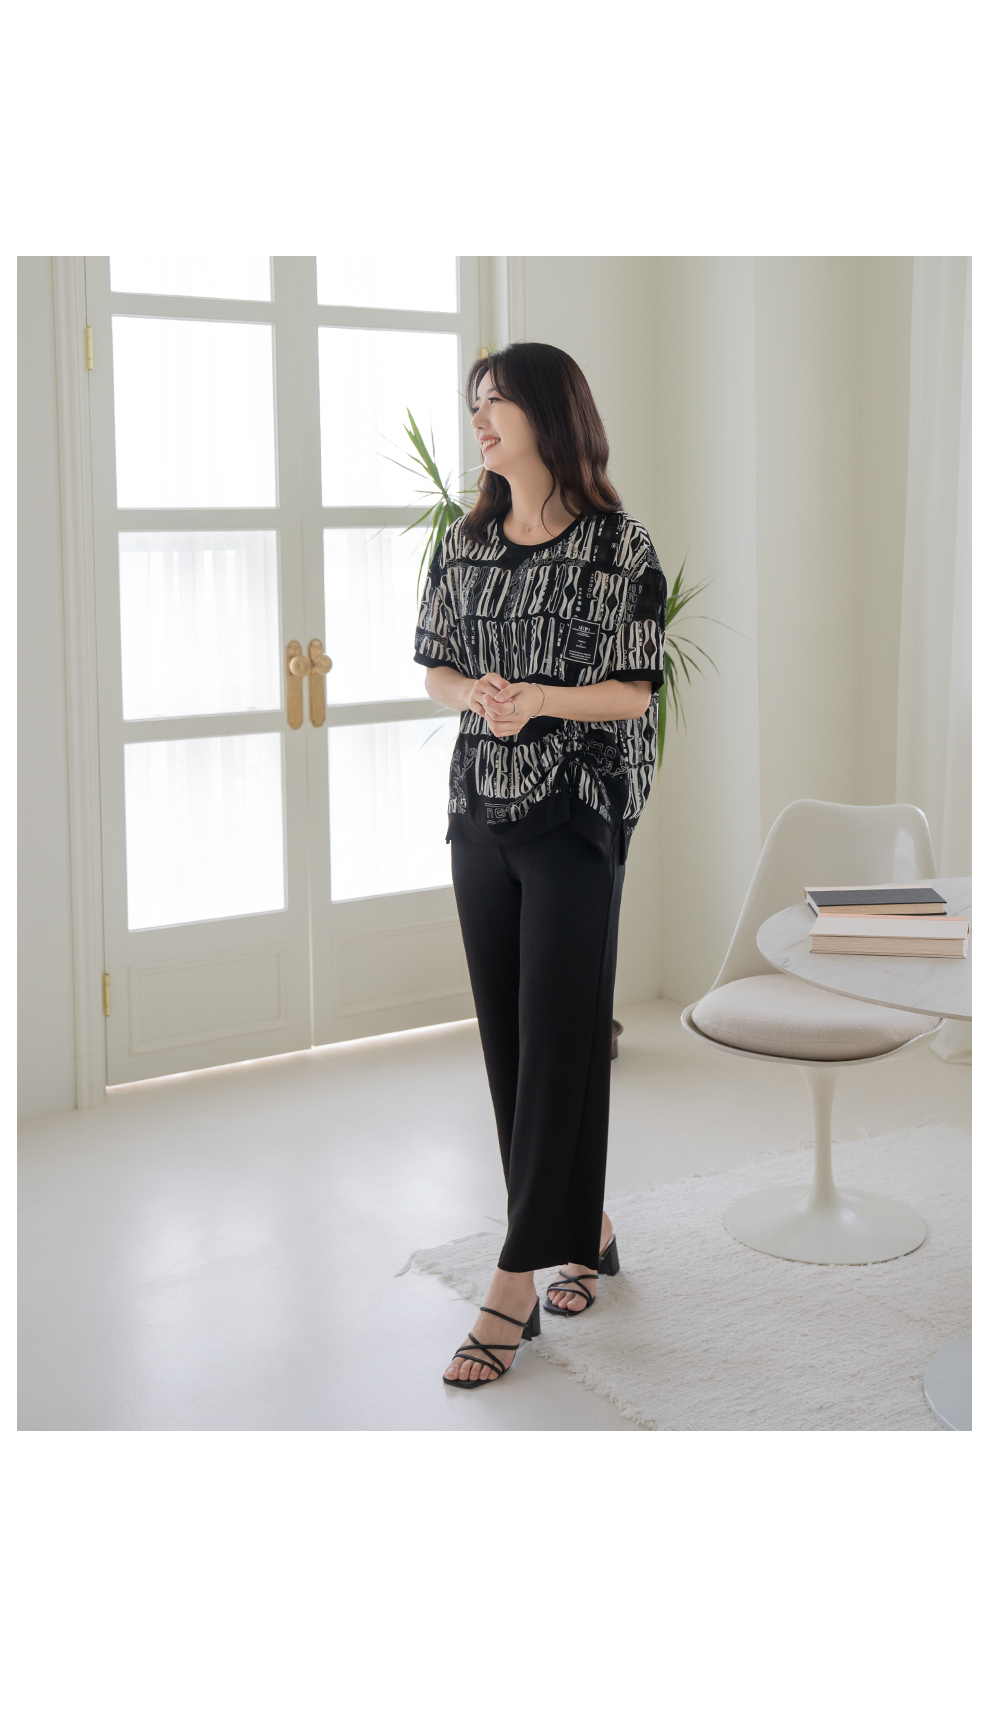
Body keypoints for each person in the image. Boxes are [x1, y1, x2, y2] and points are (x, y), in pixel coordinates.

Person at [414, 342, 667, 1387]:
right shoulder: (465, 541)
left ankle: (512, 1281)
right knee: (513, 1046)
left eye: (496, 403)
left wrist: (539, 700)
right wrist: (475, 694)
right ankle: (584, 1229)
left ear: (550, 415)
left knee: (563, 1037)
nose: (478, 421)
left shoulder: (618, 546)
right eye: (474, 404)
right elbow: (436, 667)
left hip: (576, 813)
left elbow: (634, 689)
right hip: (479, 811)